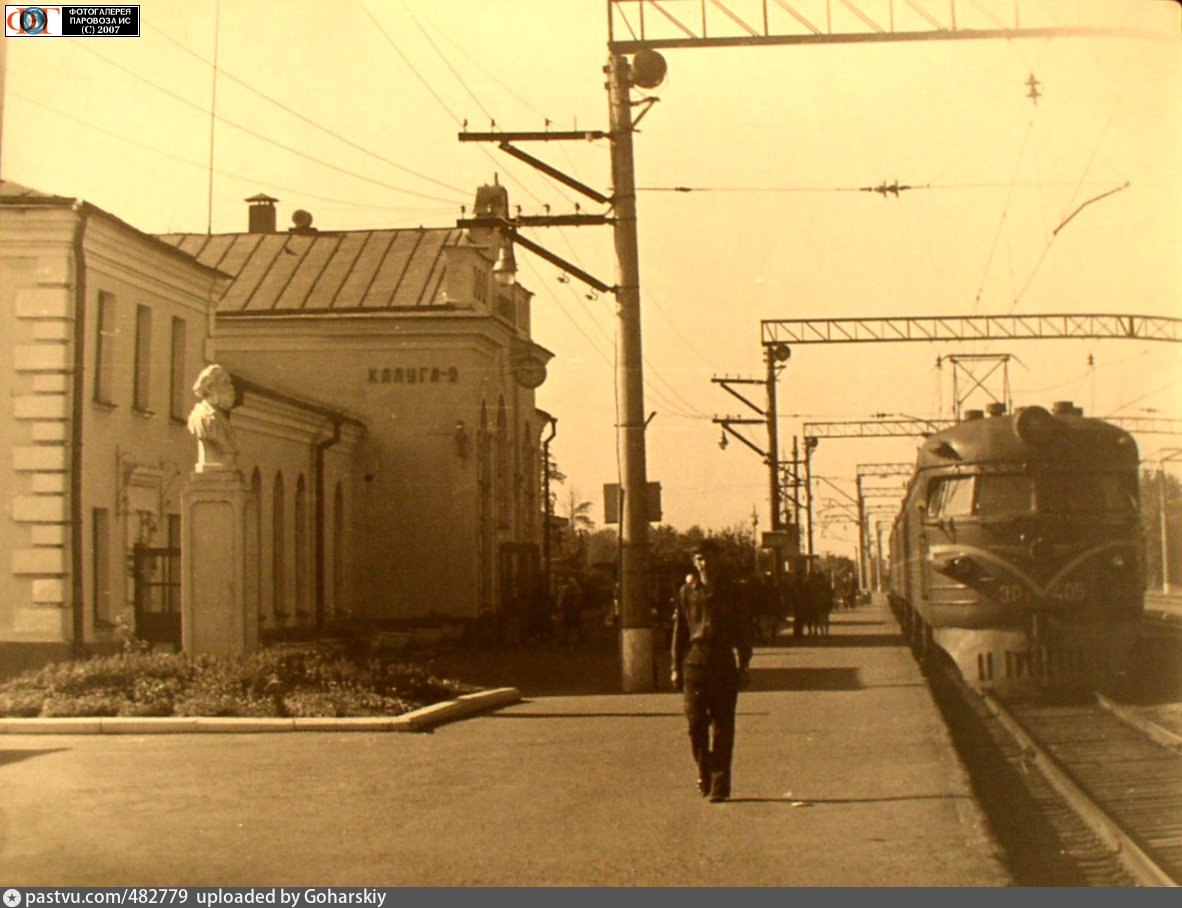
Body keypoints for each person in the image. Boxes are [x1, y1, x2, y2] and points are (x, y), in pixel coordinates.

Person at [670, 539, 752, 802]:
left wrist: (744, 664)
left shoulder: (733, 592)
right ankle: (705, 768)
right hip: (695, 661)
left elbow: (742, 629)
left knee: (723, 726)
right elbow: (680, 632)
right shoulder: (686, 591)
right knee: (695, 724)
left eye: (709, 558)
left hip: (723, 660)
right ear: (695, 562)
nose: (705, 563)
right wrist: (674, 666)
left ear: (718, 560)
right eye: (700, 558)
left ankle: (720, 786)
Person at [187, 364, 239, 471]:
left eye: (230, 383)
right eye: (225, 383)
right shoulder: (202, 416)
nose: (231, 387)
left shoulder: (221, 417)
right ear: (210, 388)